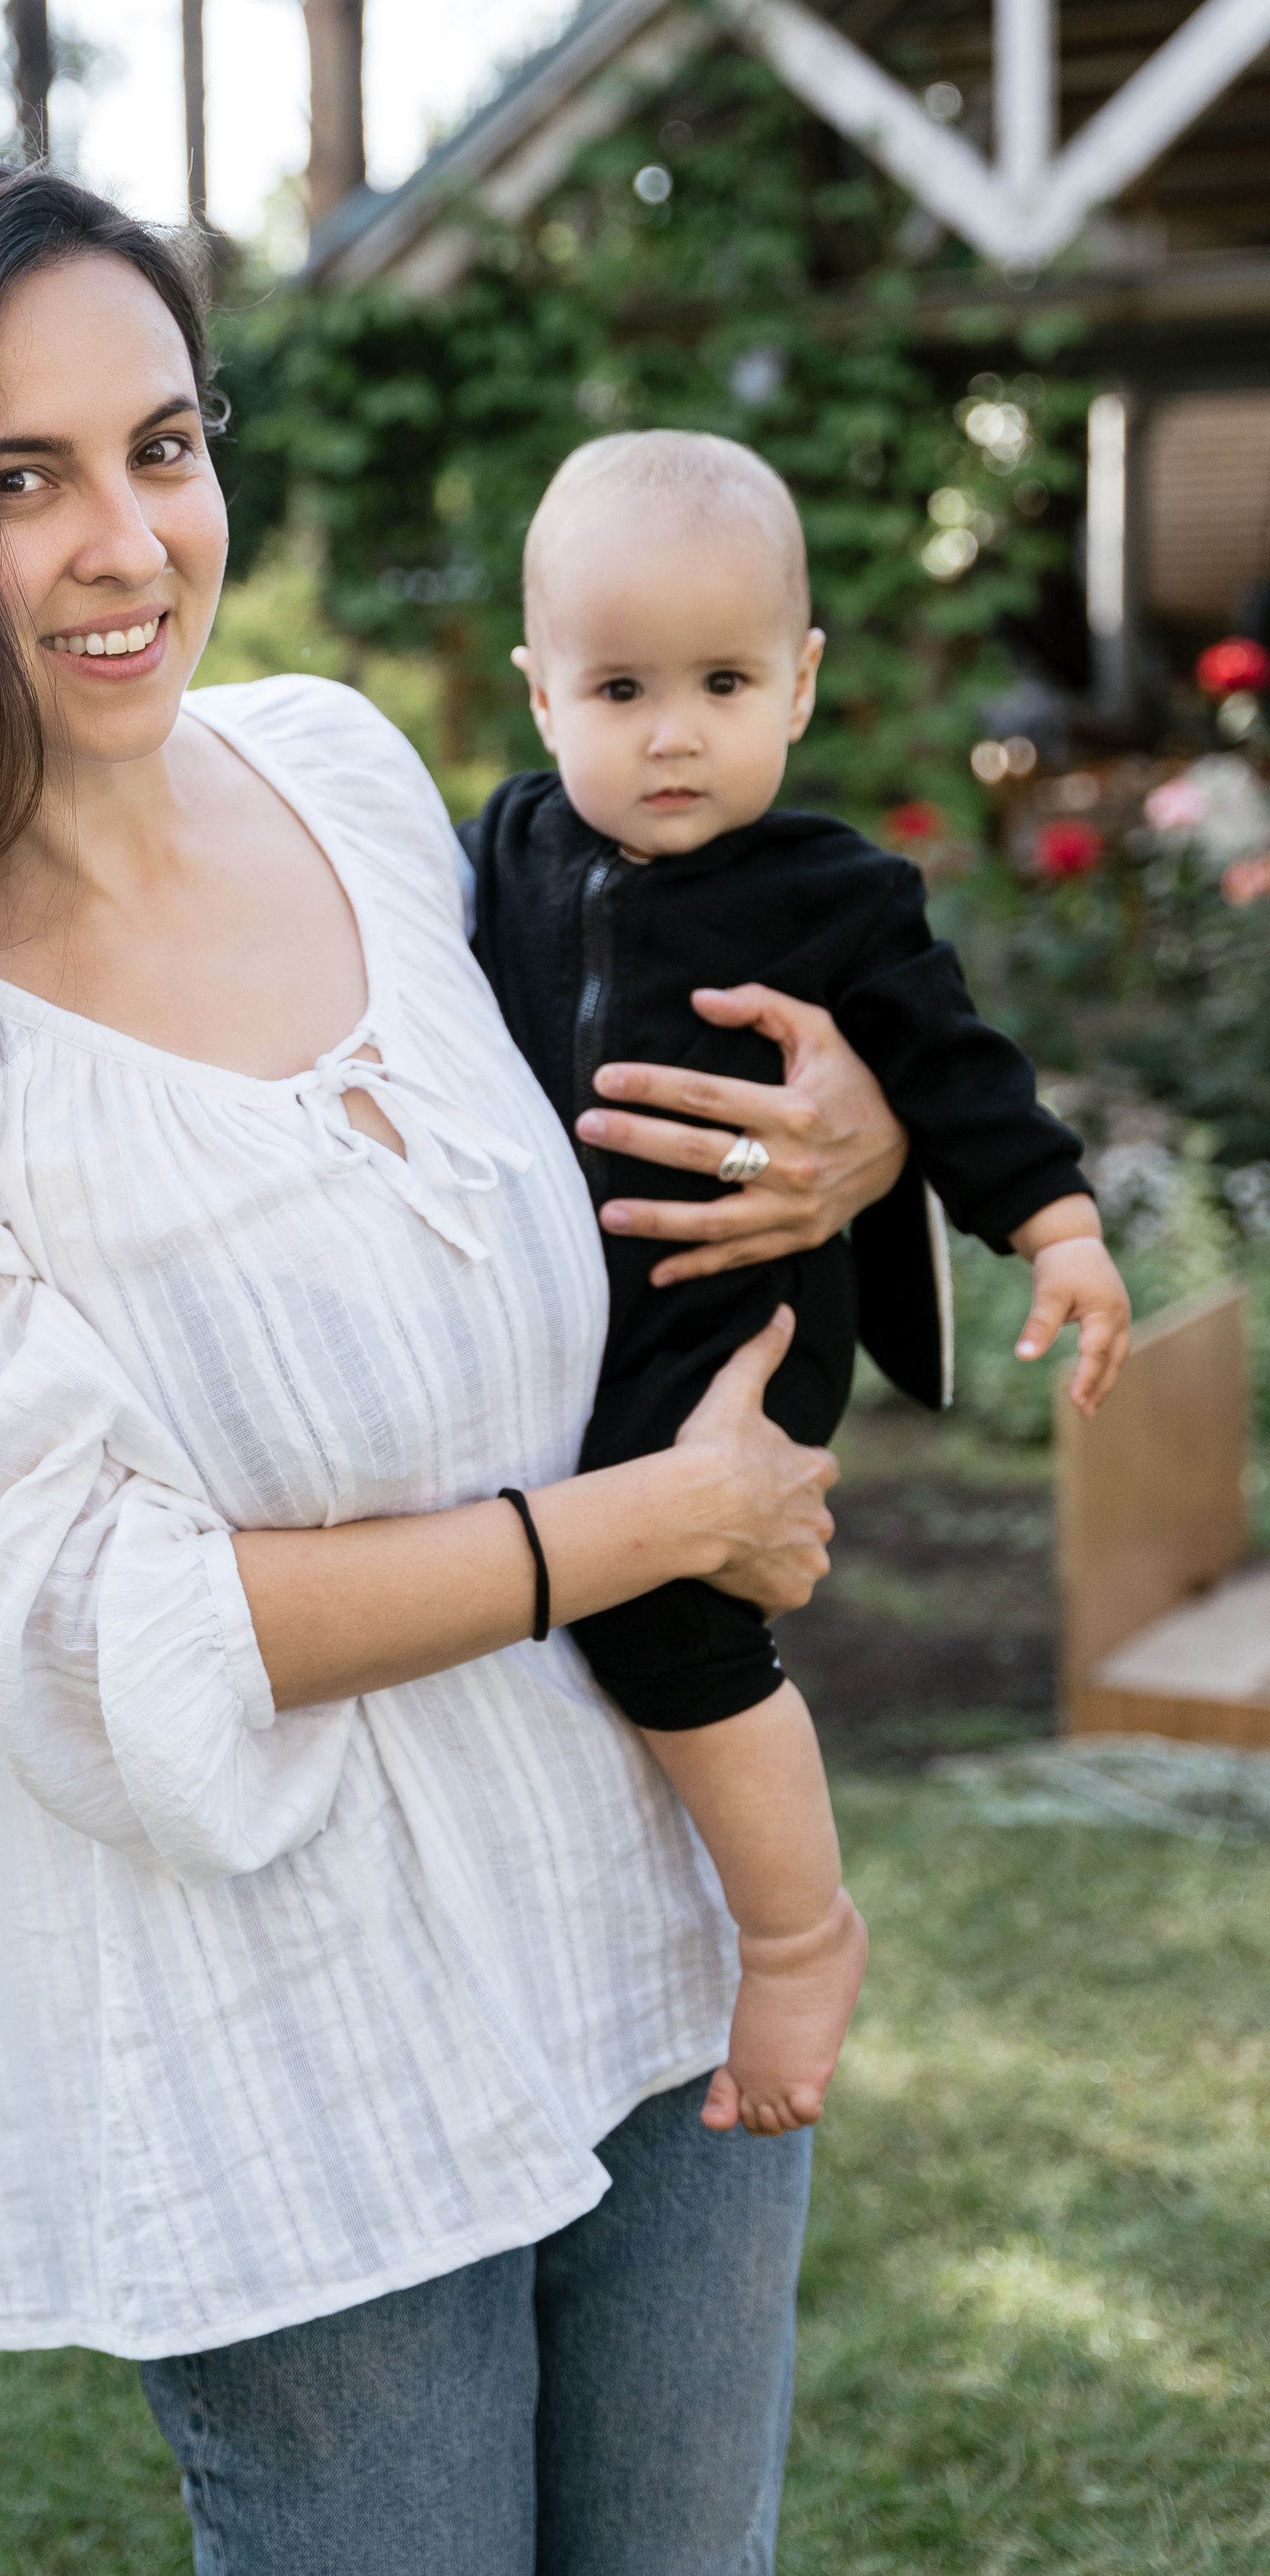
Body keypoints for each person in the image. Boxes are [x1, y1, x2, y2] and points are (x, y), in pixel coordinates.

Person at [0, 162, 911, 2576]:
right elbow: (97, 1644)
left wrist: (855, 1142)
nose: (128, 543)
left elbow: (601, 1090)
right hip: (276, 2017)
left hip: (635, 1880)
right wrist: (640, 1521)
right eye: (16, 481)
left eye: (162, 442)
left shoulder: (338, 772)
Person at [465, 429, 1132, 2142]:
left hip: (730, 1326)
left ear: (800, 684)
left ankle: (794, 1932)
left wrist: (1053, 1227)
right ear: (537, 692)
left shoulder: (834, 895)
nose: (670, 729)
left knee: (663, 1603)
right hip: (578, 1323)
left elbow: (958, 1075)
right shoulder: (512, 856)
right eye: (618, 685)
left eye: (720, 679)